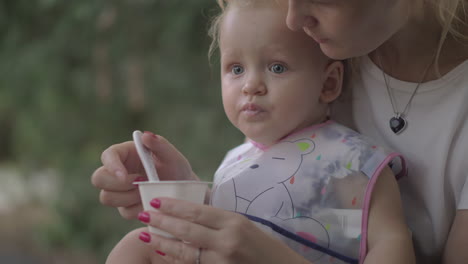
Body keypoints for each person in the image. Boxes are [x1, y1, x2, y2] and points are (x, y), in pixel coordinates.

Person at [91, 0, 468, 263]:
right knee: (136, 245)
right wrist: (184, 191)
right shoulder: (250, 152)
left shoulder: (355, 162)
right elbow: (292, 213)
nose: (293, 18)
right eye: (236, 69)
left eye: (276, 68)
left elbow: (376, 237)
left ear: (329, 83)